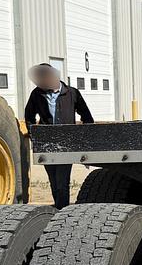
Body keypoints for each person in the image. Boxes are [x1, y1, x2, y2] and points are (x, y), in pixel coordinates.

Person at [23, 62, 94, 209]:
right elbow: (29, 115)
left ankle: (62, 209)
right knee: (53, 179)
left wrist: (87, 140)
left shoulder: (72, 93)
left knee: (62, 180)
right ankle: (58, 207)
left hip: (66, 142)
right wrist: (34, 135)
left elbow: (86, 115)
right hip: (46, 143)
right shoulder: (37, 94)